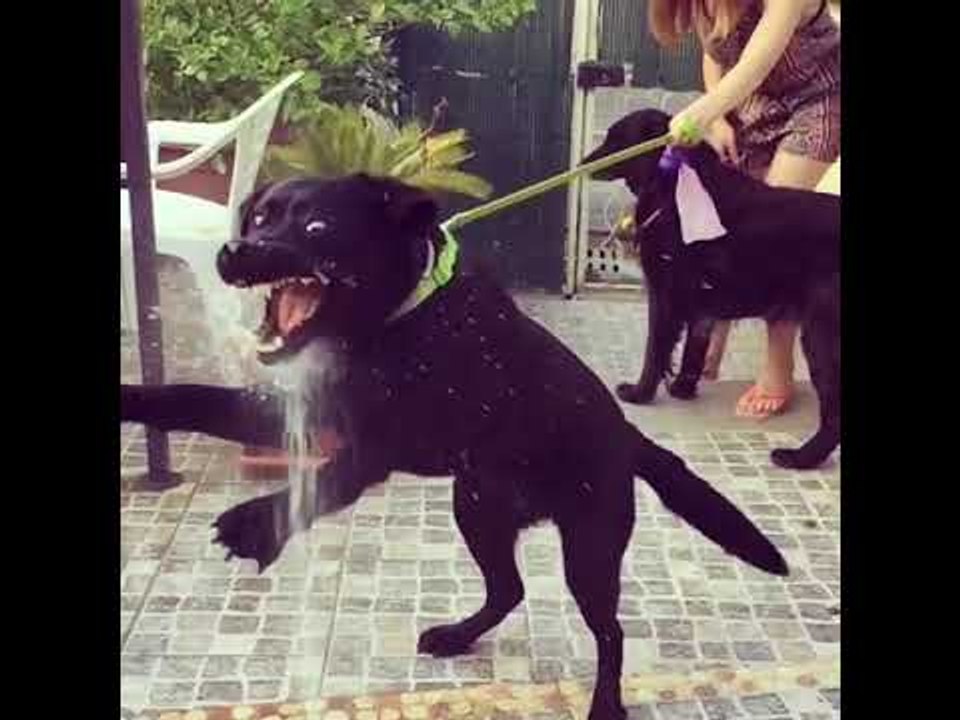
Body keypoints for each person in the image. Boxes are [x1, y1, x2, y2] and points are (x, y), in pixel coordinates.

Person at [649, 0, 840, 417]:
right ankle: (706, 353)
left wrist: (701, 114)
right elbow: (715, 55)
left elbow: (755, 63)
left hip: (819, 100)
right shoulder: (703, 2)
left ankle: (777, 368)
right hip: (753, 107)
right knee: (728, 233)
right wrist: (717, 121)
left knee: (776, 230)